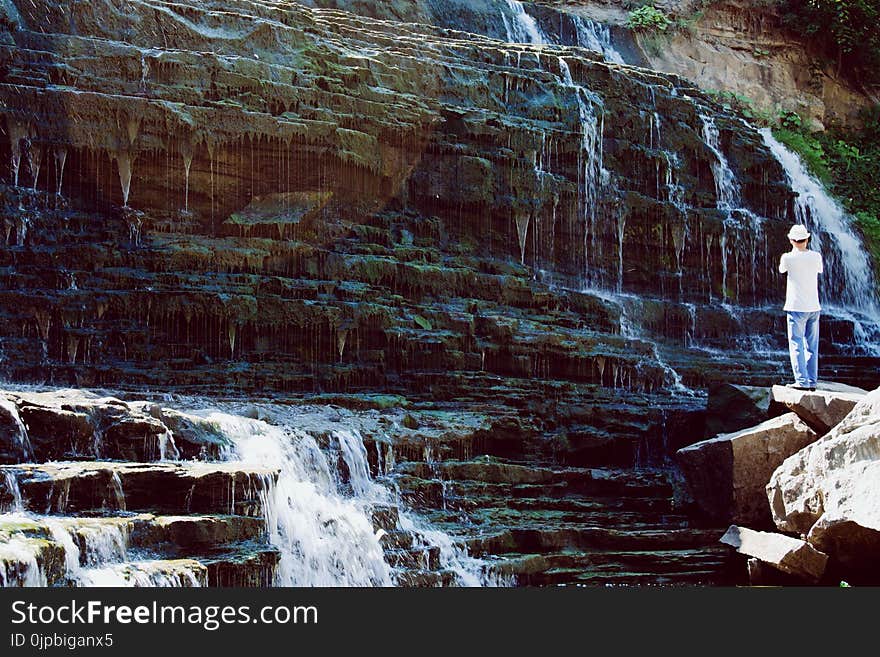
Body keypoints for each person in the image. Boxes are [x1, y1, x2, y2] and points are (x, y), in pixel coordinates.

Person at [778, 224, 823, 391]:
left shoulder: (787, 258)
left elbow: (782, 270)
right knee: (812, 345)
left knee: (796, 343)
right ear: (807, 239)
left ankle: (802, 381)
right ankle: (812, 381)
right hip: (814, 306)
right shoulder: (816, 256)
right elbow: (819, 270)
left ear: (791, 240)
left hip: (796, 306)